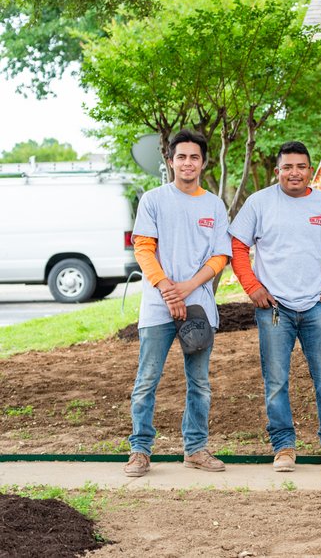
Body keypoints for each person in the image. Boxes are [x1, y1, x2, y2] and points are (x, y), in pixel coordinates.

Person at [229, 141, 321, 472]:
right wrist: (252, 287)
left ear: (309, 169)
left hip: (315, 306)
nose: (294, 172)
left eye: (300, 166)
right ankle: (284, 447)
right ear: (278, 171)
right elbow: (238, 247)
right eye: (287, 167)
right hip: (274, 309)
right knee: (276, 382)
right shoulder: (259, 203)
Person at [124, 129, 231, 477]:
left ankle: (195, 449)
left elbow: (219, 257)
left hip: (198, 307)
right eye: (181, 157)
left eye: (194, 157)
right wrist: (167, 289)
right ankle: (140, 451)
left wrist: (187, 288)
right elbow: (144, 248)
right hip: (157, 308)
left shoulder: (213, 204)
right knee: (147, 380)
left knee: (199, 382)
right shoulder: (154, 200)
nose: (188, 163)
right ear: (170, 161)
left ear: (203, 162)